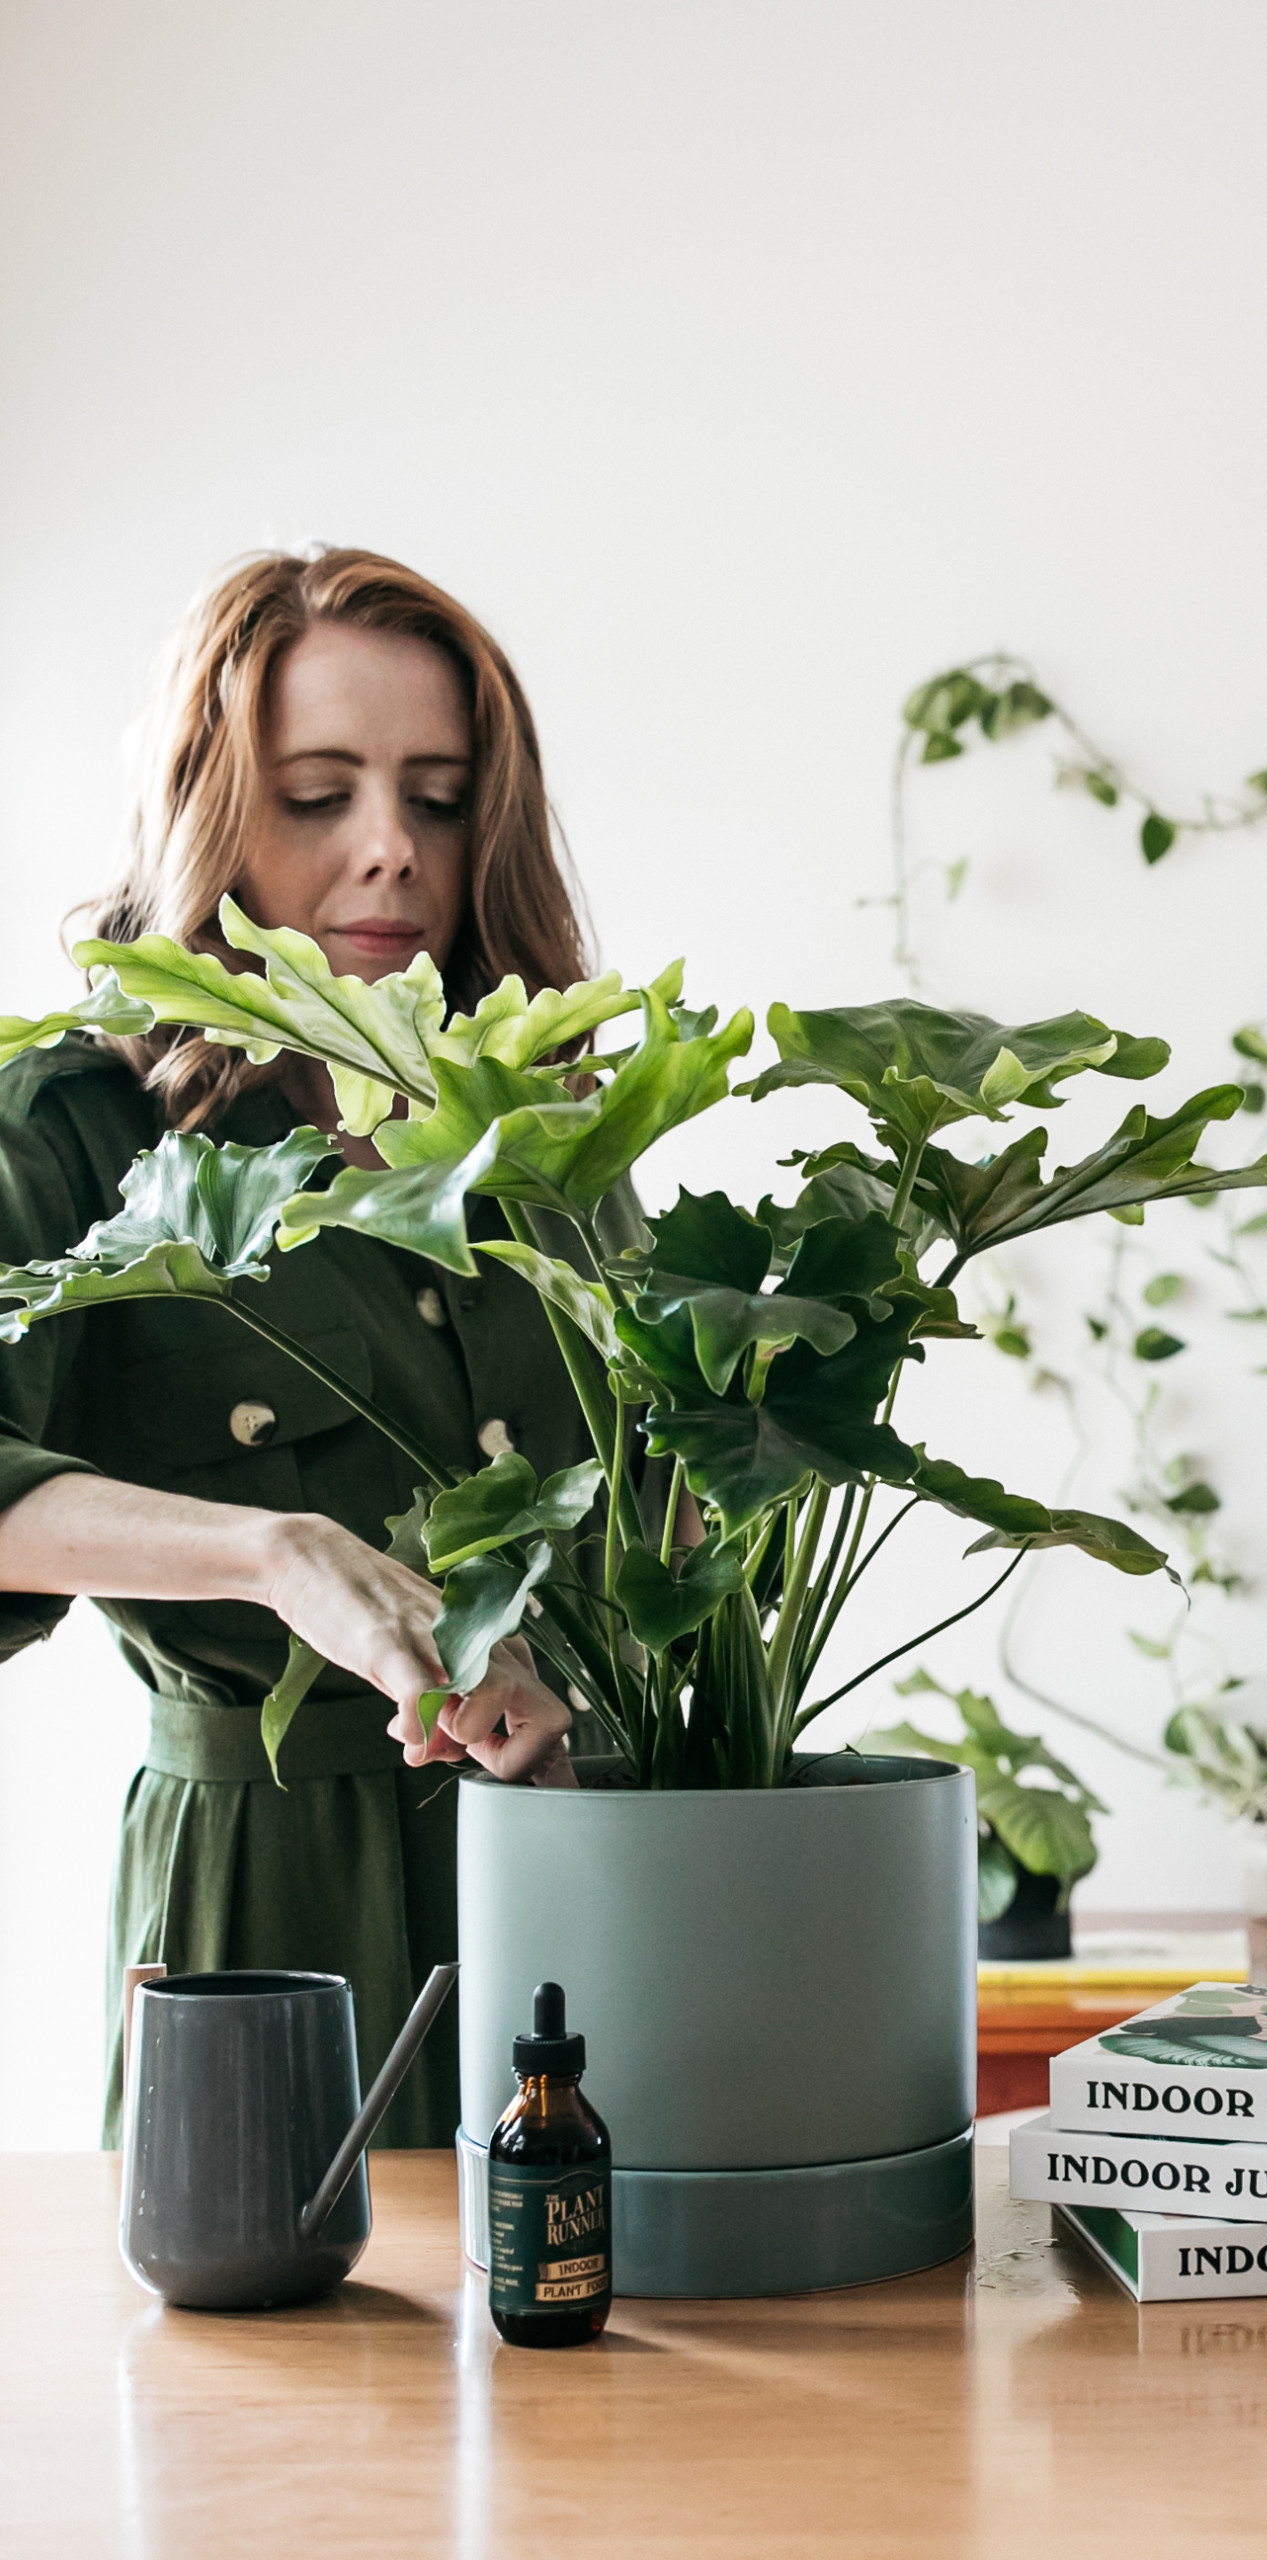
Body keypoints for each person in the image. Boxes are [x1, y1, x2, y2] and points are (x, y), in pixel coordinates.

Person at [0, 548, 602, 2144]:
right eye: (320, 795)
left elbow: (671, 1510)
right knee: (272, 2370)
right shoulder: (75, 1129)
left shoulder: (550, 1127)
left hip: (573, 1867)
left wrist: (575, 1668)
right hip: (262, 1913)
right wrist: (274, 1552)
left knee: (630, 2369)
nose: (391, 853)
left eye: (441, 795)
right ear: (213, 810)